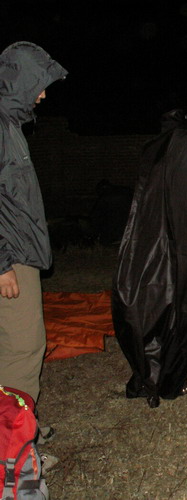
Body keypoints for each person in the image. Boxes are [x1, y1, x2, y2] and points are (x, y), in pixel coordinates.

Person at [0, 42, 67, 405]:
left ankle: (15, 428)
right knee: (23, 347)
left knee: (12, 345)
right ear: (20, 81)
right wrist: (1, 265)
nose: (42, 95)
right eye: (39, 85)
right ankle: (17, 436)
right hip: (11, 256)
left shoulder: (9, 126)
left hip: (17, 251)